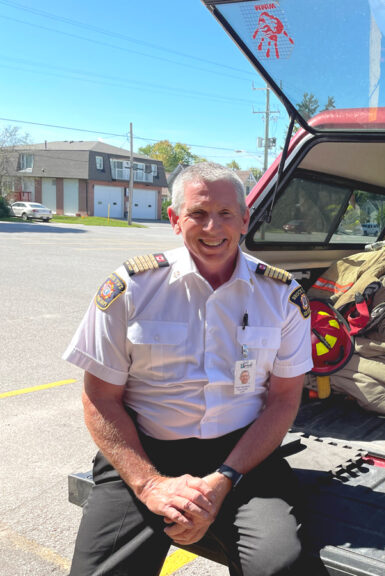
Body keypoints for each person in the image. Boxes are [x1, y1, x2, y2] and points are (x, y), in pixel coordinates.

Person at [63, 162, 313, 575]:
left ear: (245, 219)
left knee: (281, 566)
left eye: (226, 213)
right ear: (175, 220)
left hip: (244, 456)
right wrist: (149, 484)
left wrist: (225, 478)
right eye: (198, 213)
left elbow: (284, 400)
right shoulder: (131, 288)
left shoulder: (282, 295)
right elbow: (99, 399)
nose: (212, 227)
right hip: (146, 451)